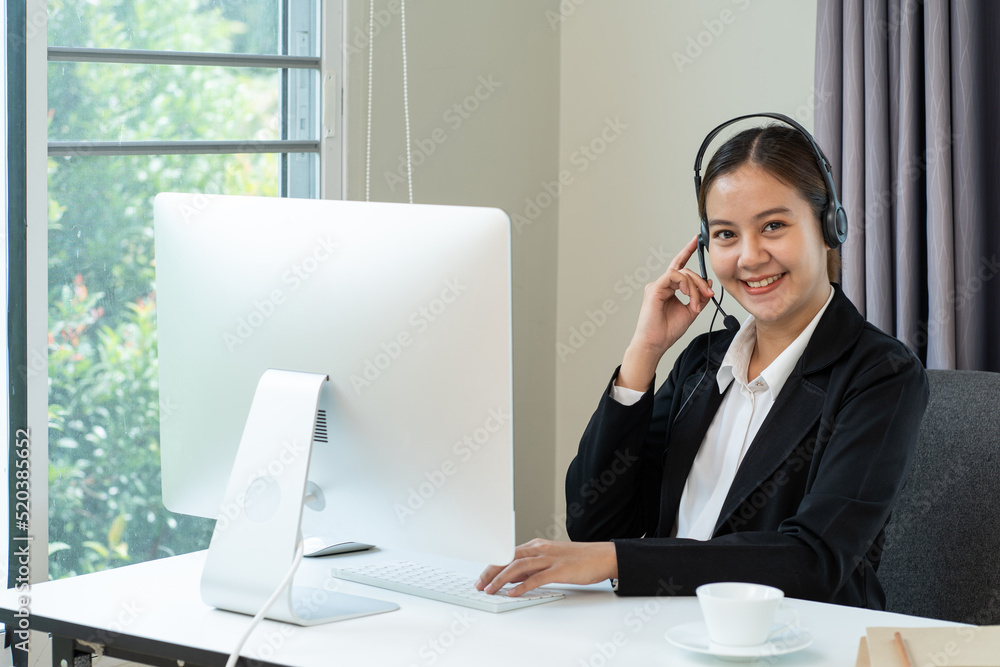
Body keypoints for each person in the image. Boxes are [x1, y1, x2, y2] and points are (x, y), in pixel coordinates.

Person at [476, 117, 929, 609]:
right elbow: (595, 523)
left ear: (828, 227)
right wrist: (644, 353)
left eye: (773, 226)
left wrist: (618, 561)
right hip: (665, 625)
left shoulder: (881, 373)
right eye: (726, 234)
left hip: (795, 636)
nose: (750, 257)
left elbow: (814, 560)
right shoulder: (703, 362)